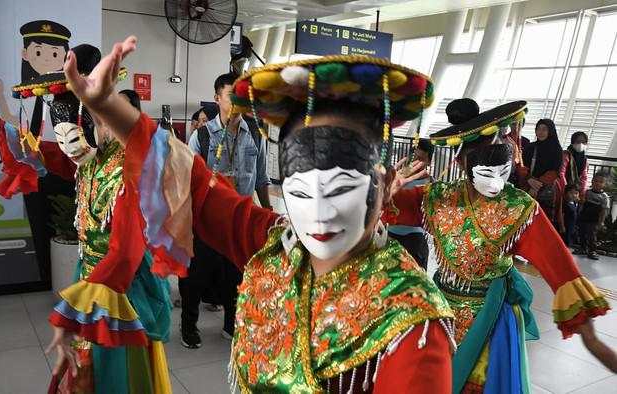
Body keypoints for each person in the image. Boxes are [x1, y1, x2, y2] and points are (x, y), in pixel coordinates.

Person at [58, 36, 458, 392]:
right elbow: (188, 175)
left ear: (385, 183)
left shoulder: (411, 321)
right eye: (299, 192)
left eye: (341, 190)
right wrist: (105, 106)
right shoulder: (275, 246)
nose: (318, 216)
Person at [0, 44, 178, 394]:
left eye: (74, 138)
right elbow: (34, 150)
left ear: (101, 119)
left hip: (122, 291)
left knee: (115, 378)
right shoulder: (89, 161)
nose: (70, 150)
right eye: (62, 141)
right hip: (90, 283)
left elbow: (125, 254)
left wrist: (74, 310)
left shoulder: (130, 168)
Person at [393, 98, 610, 393]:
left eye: (503, 169)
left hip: (490, 319)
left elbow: (560, 267)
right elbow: (385, 209)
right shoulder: (438, 197)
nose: (495, 182)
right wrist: (378, 192)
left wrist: (591, 337)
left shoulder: (518, 207)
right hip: (440, 311)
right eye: (485, 170)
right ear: (462, 163)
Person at [177, 73, 273, 349]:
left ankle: (232, 324)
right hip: (208, 219)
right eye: (232, 94)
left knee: (237, 275)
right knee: (196, 276)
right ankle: (188, 326)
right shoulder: (202, 135)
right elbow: (189, 178)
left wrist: (266, 213)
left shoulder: (255, 132)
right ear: (217, 98)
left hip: (240, 218)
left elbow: (261, 177)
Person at [387, 138, 434, 270]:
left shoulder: (431, 186)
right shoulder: (395, 180)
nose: (416, 163)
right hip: (389, 236)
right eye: (414, 158)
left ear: (429, 161)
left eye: (421, 159)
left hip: (413, 240)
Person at [522, 118, 563, 226]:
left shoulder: (557, 149)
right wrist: (529, 179)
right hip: (527, 186)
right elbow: (522, 166)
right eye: (538, 129)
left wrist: (536, 186)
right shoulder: (530, 147)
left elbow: (554, 171)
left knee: (542, 221)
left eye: (544, 129)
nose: (541, 132)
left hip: (545, 191)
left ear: (550, 131)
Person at [576, 172, 611, 260]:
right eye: (595, 181)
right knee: (582, 233)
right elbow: (582, 203)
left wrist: (601, 222)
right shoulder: (587, 192)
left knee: (592, 236)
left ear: (604, 184)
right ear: (592, 181)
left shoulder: (604, 197)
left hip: (594, 220)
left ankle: (592, 251)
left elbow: (603, 211)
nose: (597, 183)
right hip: (584, 217)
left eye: (601, 182)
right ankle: (583, 248)